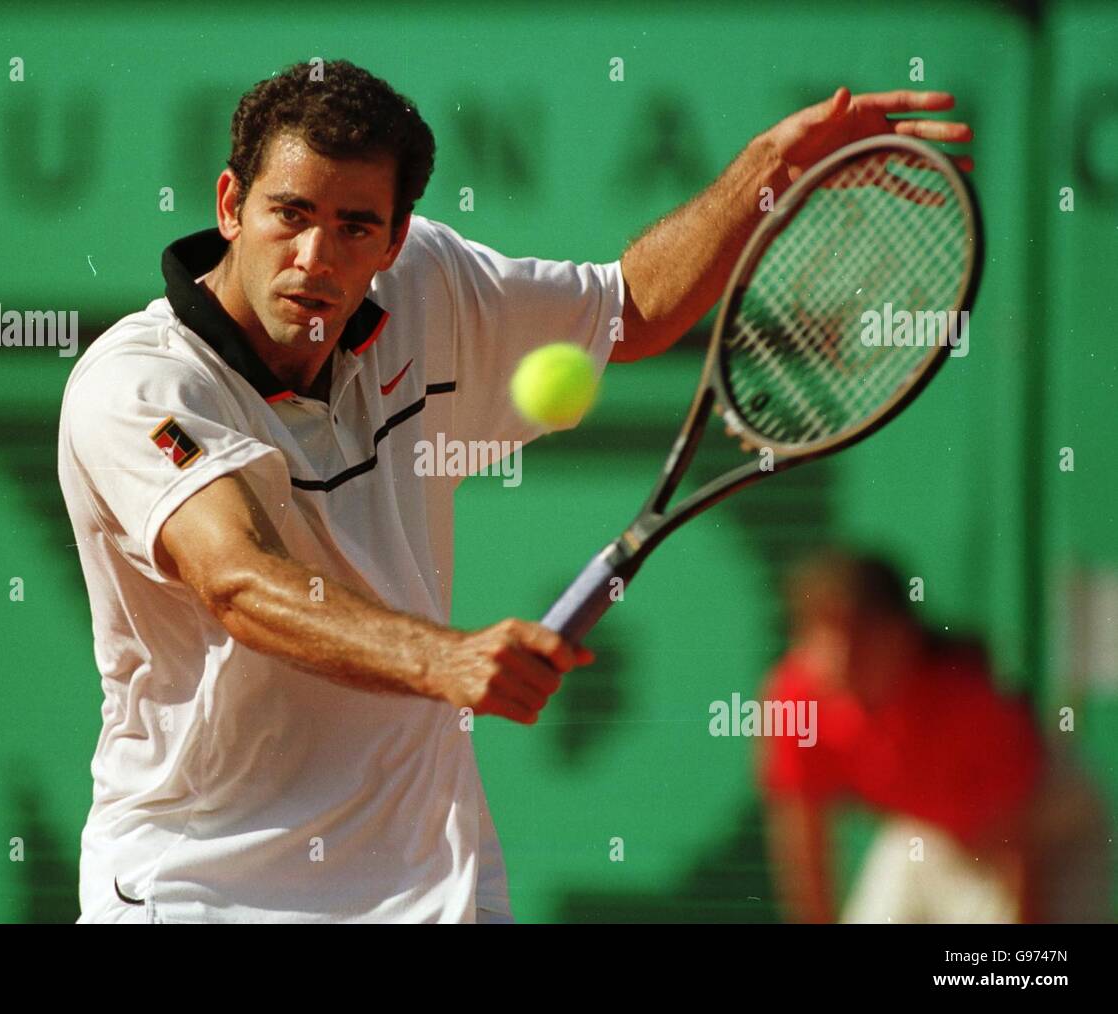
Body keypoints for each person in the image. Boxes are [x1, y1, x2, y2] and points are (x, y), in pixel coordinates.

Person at [57, 57, 972, 923]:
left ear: (396, 237)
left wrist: (769, 169)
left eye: (354, 226)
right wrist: (441, 660)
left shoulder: (431, 290)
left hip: (430, 882)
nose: (314, 256)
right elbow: (238, 582)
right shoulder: (138, 386)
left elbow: (630, 309)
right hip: (200, 886)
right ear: (229, 204)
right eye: (287, 214)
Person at [759, 550, 1111, 923]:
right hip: (932, 831)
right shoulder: (796, 699)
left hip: (1049, 835)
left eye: (860, 632)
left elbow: (1017, 844)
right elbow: (803, 841)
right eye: (824, 631)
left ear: (903, 634)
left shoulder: (968, 699)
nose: (842, 653)